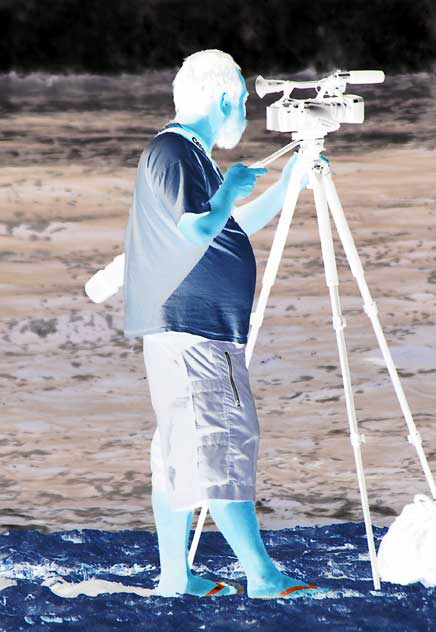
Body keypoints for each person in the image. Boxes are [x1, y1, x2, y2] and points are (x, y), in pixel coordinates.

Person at [123, 49, 328, 599]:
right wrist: (230, 190)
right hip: (195, 331)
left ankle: (176, 577)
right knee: (222, 440)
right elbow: (198, 228)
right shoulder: (173, 150)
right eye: (241, 98)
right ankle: (262, 576)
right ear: (222, 99)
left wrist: (287, 185)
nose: (245, 109)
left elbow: (227, 228)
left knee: (179, 449)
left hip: (189, 329)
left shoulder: (189, 153)